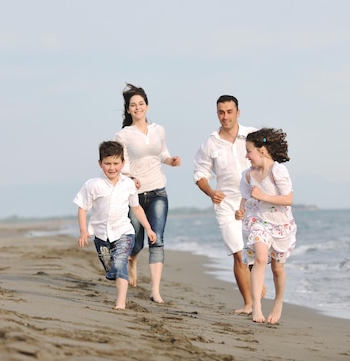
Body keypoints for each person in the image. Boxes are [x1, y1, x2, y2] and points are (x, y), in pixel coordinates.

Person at [114, 83, 180, 304]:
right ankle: (132, 260)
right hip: (135, 196)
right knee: (136, 242)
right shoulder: (123, 135)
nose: (138, 107)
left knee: (157, 239)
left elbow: (163, 153)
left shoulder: (158, 130)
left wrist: (171, 161)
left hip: (158, 190)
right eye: (133, 105)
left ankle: (155, 290)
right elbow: (121, 164)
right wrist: (130, 177)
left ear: (147, 106)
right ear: (128, 110)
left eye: (141, 103)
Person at [73, 140, 157, 310]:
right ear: (100, 163)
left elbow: (136, 207)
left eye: (116, 163)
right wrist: (83, 230)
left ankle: (120, 303)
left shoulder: (128, 185)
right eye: (107, 163)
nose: (112, 168)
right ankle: (119, 273)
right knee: (111, 269)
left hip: (124, 232)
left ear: (123, 164)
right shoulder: (93, 185)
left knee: (120, 264)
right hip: (101, 236)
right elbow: (82, 208)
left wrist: (148, 228)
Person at [193, 95, 258, 314]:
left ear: (238, 112)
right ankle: (249, 304)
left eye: (229, 112)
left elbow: (268, 157)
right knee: (238, 253)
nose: (225, 116)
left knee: (256, 252)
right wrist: (211, 192)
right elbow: (200, 173)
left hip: (253, 201)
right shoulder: (210, 143)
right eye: (221, 112)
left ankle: (257, 281)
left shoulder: (252, 135)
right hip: (225, 204)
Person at [235, 128, 297, 324]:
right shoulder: (247, 175)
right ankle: (257, 307)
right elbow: (245, 198)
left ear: (262, 150)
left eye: (249, 151)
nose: (247, 156)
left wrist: (263, 196)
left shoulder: (278, 171)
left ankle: (278, 302)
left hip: (280, 222)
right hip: (257, 220)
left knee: (278, 268)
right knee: (260, 258)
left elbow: (288, 199)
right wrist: (241, 210)